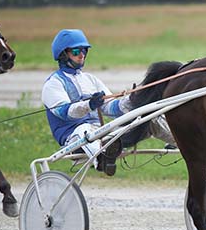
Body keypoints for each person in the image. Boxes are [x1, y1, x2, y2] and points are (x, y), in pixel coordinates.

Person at [42, 29, 175, 176]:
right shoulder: (53, 83)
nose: (82, 55)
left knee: (149, 119)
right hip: (73, 138)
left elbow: (111, 107)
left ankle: (181, 141)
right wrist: (89, 105)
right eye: (76, 51)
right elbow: (66, 113)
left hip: (101, 133)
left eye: (84, 51)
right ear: (63, 54)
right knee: (85, 129)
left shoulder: (90, 79)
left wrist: (133, 100)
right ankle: (102, 160)